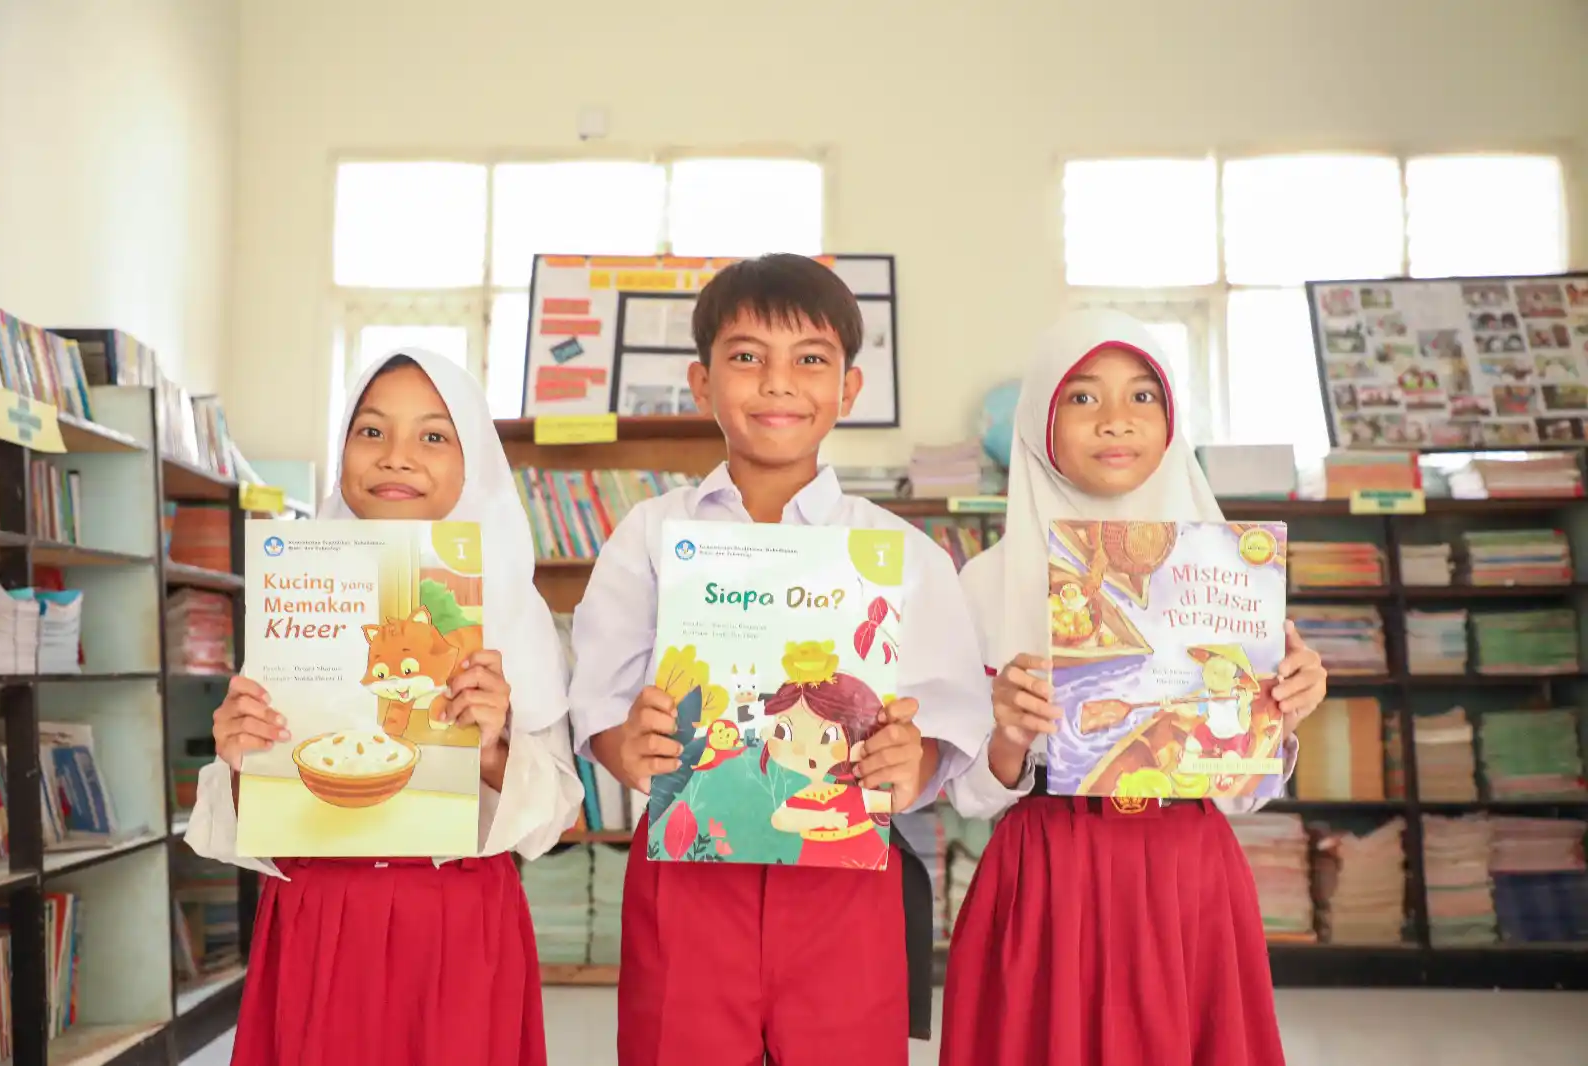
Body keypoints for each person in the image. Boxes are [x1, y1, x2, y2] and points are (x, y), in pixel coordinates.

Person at [567, 254, 991, 1066]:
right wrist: (628, 743)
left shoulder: (898, 554)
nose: (776, 382)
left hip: (845, 883)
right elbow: (599, 699)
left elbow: (951, 720)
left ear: (848, 391)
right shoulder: (649, 535)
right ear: (701, 384)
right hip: (689, 874)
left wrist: (918, 754)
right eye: (746, 356)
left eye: (810, 360)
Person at [940, 310, 1328, 1066]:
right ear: (1040, 423)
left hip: (1186, 874)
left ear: (1172, 420)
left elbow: (1241, 793)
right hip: (1046, 877)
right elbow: (966, 796)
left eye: (1143, 397)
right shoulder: (984, 584)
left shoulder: (1228, 577)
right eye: (1082, 398)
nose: (1116, 421)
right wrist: (1010, 738)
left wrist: (1280, 718)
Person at [185, 348, 583, 1066]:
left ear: (473, 466)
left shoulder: (514, 612)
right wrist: (242, 758)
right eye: (370, 432)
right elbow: (259, 815)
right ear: (341, 451)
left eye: (433, 436)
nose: (396, 457)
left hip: (457, 921)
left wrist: (494, 748)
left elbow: (551, 818)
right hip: (318, 913)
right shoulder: (297, 594)